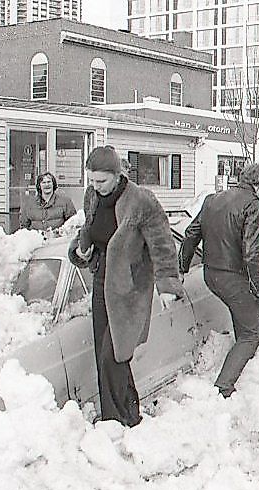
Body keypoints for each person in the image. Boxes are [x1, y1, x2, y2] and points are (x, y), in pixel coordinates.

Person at [68, 145, 185, 427]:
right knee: (105, 354)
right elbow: (90, 231)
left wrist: (167, 284)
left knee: (114, 354)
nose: (96, 187)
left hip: (129, 286)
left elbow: (162, 243)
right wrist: (82, 250)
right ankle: (128, 414)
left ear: (117, 175)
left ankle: (116, 420)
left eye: (102, 181)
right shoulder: (92, 197)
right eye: (92, 181)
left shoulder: (141, 201)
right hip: (101, 280)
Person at [178, 162, 259, 398]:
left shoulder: (213, 199)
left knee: (242, 322)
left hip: (210, 273)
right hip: (233, 277)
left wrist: (181, 266)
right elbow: (252, 254)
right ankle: (223, 388)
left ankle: (243, 369)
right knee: (253, 333)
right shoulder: (254, 206)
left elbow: (191, 233)